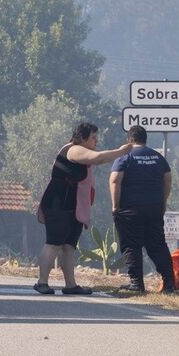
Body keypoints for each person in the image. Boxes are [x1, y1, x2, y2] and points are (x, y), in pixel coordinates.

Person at [35, 122, 133, 295]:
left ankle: (70, 285)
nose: (96, 141)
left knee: (68, 247)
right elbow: (98, 158)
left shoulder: (80, 151)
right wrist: (121, 151)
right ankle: (42, 281)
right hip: (59, 204)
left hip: (73, 206)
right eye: (93, 138)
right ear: (82, 138)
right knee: (54, 243)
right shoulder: (73, 150)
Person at [109, 125, 175, 293]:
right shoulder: (158, 157)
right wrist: (162, 202)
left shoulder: (125, 157)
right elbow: (167, 180)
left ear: (129, 140)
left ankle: (136, 283)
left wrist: (115, 205)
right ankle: (169, 284)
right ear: (145, 139)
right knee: (158, 245)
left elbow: (115, 180)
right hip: (154, 208)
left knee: (131, 245)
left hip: (129, 209)